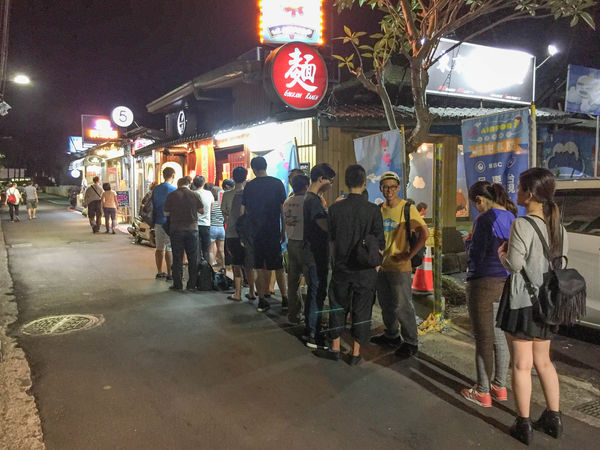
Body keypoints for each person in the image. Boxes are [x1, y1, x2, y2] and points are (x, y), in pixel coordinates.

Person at [497, 168, 568, 445]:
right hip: (548, 302)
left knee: (521, 364)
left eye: (520, 187)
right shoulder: (559, 227)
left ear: (529, 193)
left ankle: (523, 423)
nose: (516, 192)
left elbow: (514, 264)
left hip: (523, 302)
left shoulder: (522, 224)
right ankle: (554, 418)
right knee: (544, 361)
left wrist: (501, 254)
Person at [316, 164, 385, 364]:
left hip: (342, 268)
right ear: (364, 182)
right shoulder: (373, 210)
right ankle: (355, 353)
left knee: (337, 306)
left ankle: (335, 348)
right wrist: (376, 266)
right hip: (365, 270)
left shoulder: (335, 209)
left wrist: (334, 261)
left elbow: (331, 241)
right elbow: (380, 243)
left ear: (346, 182)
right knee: (362, 310)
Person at [460, 181, 516, 408]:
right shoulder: (511, 216)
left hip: (482, 281)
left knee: (483, 338)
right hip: (505, 280)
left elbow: (477, 254)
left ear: (480, 200)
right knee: (499, 335)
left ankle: (482, 391)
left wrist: (468, 243)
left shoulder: (484, 219)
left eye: (476, 204)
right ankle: (499, 386)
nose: (477, 208)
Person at [370, 172, 429, 358]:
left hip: (400, 266)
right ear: (381, 188)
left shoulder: (407, 208)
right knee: (386, 304)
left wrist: (409, 255)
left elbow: (424, 233)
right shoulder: (378, 210)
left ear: (398, 188)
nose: (389, 190)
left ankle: (411, 341)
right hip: (382, 266)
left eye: (393, 187)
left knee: (402, 305)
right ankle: (392, 335)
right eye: (385, 187)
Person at [241, 156, 287, 313]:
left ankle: (261, 300)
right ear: (266, 166)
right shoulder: (277, 183)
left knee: (259, 267)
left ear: (254, 169)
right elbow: (282, 210)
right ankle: (285, 298)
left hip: (255, 233)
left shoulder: (249, 186)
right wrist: (283, 231)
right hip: (273, 231)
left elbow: (244, 212)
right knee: (278, 266)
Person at [302, 163, 336, 348]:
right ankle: (314, 335)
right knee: (317, 292)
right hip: (316, 253)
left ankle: (310, 329)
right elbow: (323, 225)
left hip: (310, 252)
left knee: (314, 292)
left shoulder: (310, 198)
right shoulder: (314, 201)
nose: (331, 184)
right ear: (321, 179)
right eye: (330, 180)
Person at [163, 177, 204, 291]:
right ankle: (192, 284)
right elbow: (202, 211)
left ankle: (178, 284)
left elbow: (166, 213)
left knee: (177, 257)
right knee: (193, 257)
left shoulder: (171, 195)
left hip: (176, 229)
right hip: (192, 229)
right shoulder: (195, 195)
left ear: (178, 184)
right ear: (189, 184)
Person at [221, 166, 255, 302]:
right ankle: (252, 291)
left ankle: (238, 292)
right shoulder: (250, 194)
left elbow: (224, 212)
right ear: (245, 177)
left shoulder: (227, 195)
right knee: (249, 264)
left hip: (232, 232)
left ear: (233, 177)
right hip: (247, 233)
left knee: (236, 263)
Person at [283, 174, 309, 324]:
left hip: (291, 242)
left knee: (293, 282)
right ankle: (310, 315)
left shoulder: (288, 202)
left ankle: (294, 314)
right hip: (305, 244)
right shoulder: (307, 201)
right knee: (311, 281)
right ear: (306, 186)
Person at [152, 167, 177, 281]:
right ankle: (170, 273)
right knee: (169, 247)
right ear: (173, 176)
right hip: (169, 222)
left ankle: (159, 271)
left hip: (158, 222)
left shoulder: (156, 189)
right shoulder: (174, 190)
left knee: (159, 248)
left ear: (163, 175)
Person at [191, 176, 213, 261]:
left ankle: (196, 266)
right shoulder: (209, 193)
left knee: (196, 249)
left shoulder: (192, 194)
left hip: (194, 225)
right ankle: (206, 266)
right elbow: (211, 208)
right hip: (206, 224)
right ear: (204, 183)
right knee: (206, 250)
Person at [209, 185, 226, 269]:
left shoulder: (212, 205)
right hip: (221, 228)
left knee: (211, 251)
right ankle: (223, 266)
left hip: (212, 227)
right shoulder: (222, 205)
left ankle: (210, 268)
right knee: (221, 250)